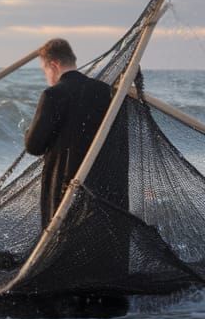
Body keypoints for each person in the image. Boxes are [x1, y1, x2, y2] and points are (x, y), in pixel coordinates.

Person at [24, 37, 128, 227]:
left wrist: (28, 132)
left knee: (63, 238)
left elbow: (34, 146)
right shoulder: (107, 92)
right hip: (106, 189)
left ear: (54, 65)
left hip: (66, 189)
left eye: (45, 70)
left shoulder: (53, 95)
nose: (46, 76)